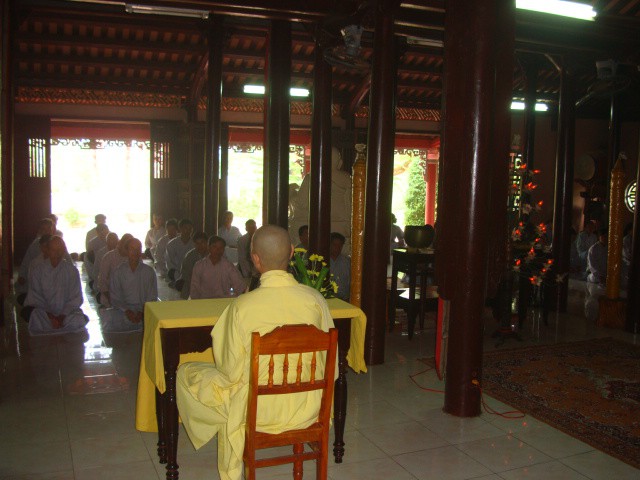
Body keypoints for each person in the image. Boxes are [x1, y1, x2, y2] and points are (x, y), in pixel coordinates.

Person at [176, 225, 336, 480]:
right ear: (292, 252)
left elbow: (229, 371)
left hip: (258, 412)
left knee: (187, 372)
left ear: (255, 259)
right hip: (309, 407)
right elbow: (332, 368)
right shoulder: (315, 300)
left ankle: (222, 434)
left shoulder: (242, 307)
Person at [23, 236, 88, 335]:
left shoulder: (71, 270)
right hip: (45, 314)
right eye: (54, 250)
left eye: (60, 250)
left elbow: (76, 297)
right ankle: (54, 323)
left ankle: (58, 323)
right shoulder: (38, 270)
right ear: (48, 251)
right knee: (34, 316)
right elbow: (36, 297)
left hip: (66, 314)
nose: (57, 253)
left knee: (79, 318)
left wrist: (62, 316)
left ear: (64, 250)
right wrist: (50, 316)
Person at [100, 238, 158, 332]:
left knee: (157, 316)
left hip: (143, 310)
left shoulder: (149, 271)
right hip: (123, 311)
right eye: (132, 249)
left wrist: (141, 312)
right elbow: (115, 298)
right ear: (127, 251)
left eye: (138, 249)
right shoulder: (118, 271)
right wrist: (127, 311)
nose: (135, 252)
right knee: (107, 317)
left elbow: (152, 296)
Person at [16, 218, 55, 304]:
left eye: (49, 229)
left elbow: (68, 264)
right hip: (38, 287)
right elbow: (26, 263)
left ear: (53, 230)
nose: (46, 232)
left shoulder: (59, 244)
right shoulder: (34, 246)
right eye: (44, 229)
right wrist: (22, 276)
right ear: (40, 231)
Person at [97, 233, 132, 307]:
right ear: (120, 243)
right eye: (127, 247)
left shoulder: (135, 257)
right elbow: (102, 282)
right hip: (111, 299)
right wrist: (112, 300)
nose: (129, 250)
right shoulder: (108, 257)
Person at [585, 228, 607, 322]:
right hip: (595, 276)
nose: (605, 238)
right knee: (593, 298)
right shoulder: (593, 248)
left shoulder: (609, 248)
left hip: (606, 276)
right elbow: (592, 266)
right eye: (603, 236)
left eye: (606, 236)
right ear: (599, 237)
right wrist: (600, 276)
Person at [178, 231, 209, 299]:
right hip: (191, 287)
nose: (200, 246)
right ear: (194, 244)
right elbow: (185, 275)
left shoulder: (213, 255)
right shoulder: (189, 256)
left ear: (207, 242)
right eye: (197, 243)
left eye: (202, 242)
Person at [166, 219, 194, 285]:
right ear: (180, 229)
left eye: (190, 229)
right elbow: (170, 263)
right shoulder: (171, 244)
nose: (188, 231)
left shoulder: (194, 244)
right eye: (185, 228)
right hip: (176, 271)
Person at [94, 232, 119, 301]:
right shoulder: (101, 254)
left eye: (115, 242)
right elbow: (97, 272)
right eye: (110, 242)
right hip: (106, 285)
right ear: (106, 242)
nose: (113, 244)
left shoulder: (121, 254)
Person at [85, 223, 109, 288]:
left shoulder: (110, 240)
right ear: (98, 232)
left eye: (107, 231)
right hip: (96, 266)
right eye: (103, 231)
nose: (105, 233)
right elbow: (89, 258)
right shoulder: (92, 243)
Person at [329, 232, 351, 301]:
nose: (337, 248)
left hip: (345, 300)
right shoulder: (323, 261)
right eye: (335, 245)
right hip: (328, 300)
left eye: (340, 245)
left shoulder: (347, 262)